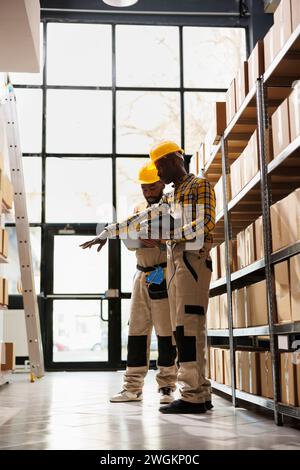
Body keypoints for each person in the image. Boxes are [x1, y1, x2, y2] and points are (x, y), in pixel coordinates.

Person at [81, 141, 215, 414]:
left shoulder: (198, 185)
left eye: (159, 167)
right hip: (177, 261)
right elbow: (144, 216)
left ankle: (192, 395)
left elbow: (205, 223)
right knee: (183, 329)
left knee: (187, 330)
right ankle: (199, 392)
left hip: (192, 259)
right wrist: (108, 231)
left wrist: (165, 235)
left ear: (173, 160)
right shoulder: (172, 196)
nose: (158, 176)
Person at [88, 162, 177, 405]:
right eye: (144, 188)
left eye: (152, 187)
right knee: (137, 332)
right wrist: (135, 237)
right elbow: (129, 233)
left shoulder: (172, 205)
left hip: (163, 272)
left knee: (165, 333)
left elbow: (183, 236)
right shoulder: (138, 208)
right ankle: (132, 388)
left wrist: (159, 241)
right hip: (141, 275)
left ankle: (167, 387)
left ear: (162, 183)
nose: (148, 192)